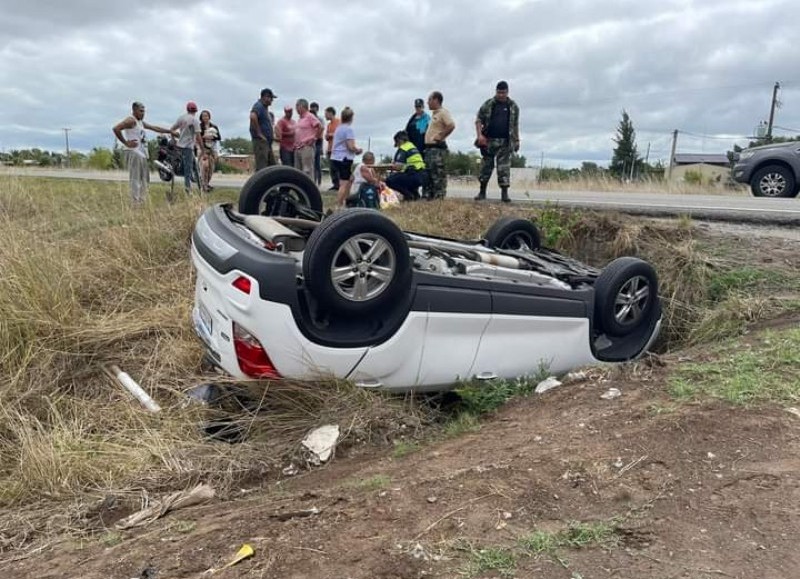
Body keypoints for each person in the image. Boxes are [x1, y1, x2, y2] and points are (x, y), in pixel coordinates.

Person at [112, 101, 175, 205]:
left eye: (144, 111)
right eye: (141, 111)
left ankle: (141, 201)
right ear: (134, 110)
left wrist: (170, 131)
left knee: (145, 179)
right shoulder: (131, 120)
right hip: (134, 152)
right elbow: (116, 128)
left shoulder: (140, 122)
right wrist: (126, 142)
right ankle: (135, 203)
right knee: (135, 179)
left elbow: (155, 128)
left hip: (142, 154)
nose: (143, 113)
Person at [474, 80, 520, 203]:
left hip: (505, 141)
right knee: (486, 167)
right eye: (499, 92)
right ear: (496, 91)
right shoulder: (488, 104)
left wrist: (517, 140)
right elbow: (478, 120)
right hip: (489, 140)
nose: (501, 95)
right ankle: (482, 191)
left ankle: (504, 194)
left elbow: (515, 125)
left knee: (504, 168)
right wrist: (479, 136)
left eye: (503, 92)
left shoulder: (513, 106)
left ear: (507, 92)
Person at [422, 91, 455, 200]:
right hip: (429, 150)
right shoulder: (434, 115)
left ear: (436, 100)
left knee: (437, 175)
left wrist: (441, 135)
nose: (427, 102)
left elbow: (451, 125)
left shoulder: (443, 113)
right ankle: (430, 197)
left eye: (429, 100)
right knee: (429, 175)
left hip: (437, 150)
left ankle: (438, 198)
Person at [330, 106, 363, 207]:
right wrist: (358, 150)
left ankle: (347, 200)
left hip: (335, 157)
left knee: (350, 179)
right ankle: (339, 204)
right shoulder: (348, 130)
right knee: (343, 183)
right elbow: (350, 146)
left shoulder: (338, 129)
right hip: (344, 158)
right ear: (351, 118)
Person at [171, 101, 206, 193]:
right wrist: (203, 149)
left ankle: (192, 187)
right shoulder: (195, 121)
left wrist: (173, 138)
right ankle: (188, 190)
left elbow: (172, 129)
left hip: (179, 146)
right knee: (188, 169)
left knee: (184, 167)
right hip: (188, 147)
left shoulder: (181, 118)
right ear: (195, 110)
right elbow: (198, 136)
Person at [386, 131, 426, 202]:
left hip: (413, 175)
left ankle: (409, 195)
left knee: (390, 180)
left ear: (399, 140)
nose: (397, 146)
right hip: (422, 175)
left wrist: (388, 167)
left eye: (397, 143)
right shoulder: (412, 146)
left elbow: (398, 167)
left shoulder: (403, 148)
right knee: (401, 177)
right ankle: (415, 195)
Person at [293, 99, 322, 179]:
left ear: (303, 106)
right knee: (298, 170)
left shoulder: (309, 116)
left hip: (306, 147)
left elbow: (320, 127)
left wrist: (314, 138)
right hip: (298, 147)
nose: (296, 109)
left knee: (307, 170)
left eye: (297, 106)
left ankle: (309, 189)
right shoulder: (300, 119)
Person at [250, 88, 277, 171]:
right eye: (271, 98)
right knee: (262, 166)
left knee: (271, 166)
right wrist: (259, 133)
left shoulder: (264, 108)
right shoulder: (259, 106)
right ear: (265, 97)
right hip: (260, 142)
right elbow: (253, 116)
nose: (272, 100)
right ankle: (259, 183)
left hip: (267, 143)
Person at [199, 110, 221, 192]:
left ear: (209, 117)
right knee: (205, 166)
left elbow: (219, 137)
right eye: (203, 116)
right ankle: (203, 185)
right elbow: (197, 137)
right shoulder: (199, 126)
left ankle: (206, 184)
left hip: (212, 148)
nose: (205, 117)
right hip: (202, 148)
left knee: (211, 168)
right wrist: (204, 137)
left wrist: (212, 137)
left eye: (206, 116)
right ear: (201, 117)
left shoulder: (214, 126)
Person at [324, 106, 341, 191]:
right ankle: (335, 184)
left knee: (337, 168)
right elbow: (327, 136)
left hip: (337, 149)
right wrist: (327, 136)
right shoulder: (329, 125)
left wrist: (331, 135)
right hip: (330, 149)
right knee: (332, 168)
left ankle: (339, 185)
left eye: (326, 114)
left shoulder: (339, 122)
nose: (325, 116)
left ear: (331, 113)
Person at [310, 102, 325, 186]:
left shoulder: (320, 119)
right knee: (311, 162)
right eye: (312, 107)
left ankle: (319, 180)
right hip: (310, 141)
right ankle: (313, 180)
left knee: (317, 162)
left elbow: (321, 131)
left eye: (314, 107)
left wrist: (321, 146)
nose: (313, 109)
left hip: (318, 141)